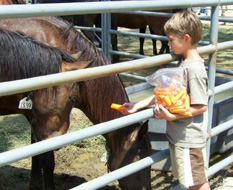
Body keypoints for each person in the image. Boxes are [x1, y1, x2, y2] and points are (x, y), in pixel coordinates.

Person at [121, 10, 210, 190]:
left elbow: (200, 106)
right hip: (180, 137)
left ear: (186, 38)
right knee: (191, 182)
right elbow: (168, 93)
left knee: (197, 185)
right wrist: (139, 105)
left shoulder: (194, 70)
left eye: (171, 40)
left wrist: (171, 117)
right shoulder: (183, 63)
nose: (168, 43)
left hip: (189, 139)